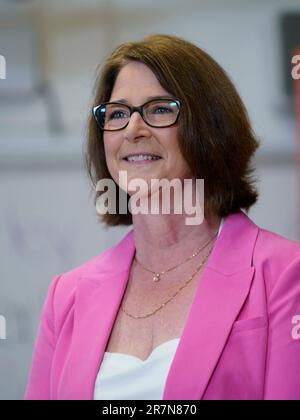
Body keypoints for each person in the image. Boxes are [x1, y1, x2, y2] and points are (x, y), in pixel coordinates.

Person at [25, 34, 300, 400]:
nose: (133, 130)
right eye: (118, 114)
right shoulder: (67, 296)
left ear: (209, 126)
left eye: (159, 109)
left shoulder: (285, 275)